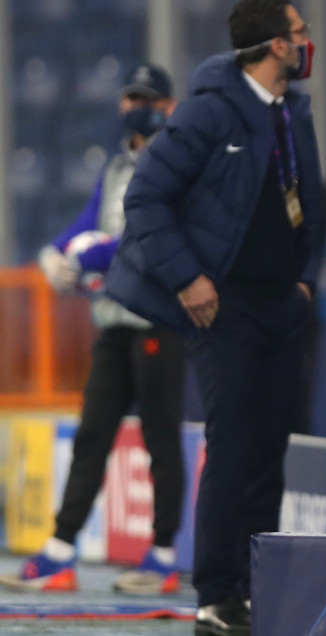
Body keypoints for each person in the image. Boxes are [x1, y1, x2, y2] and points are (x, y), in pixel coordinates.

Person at [105, 1, 322, 632]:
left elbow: (310, 203)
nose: (309, 45)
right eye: (301, 34)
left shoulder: (293, 113)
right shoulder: (208, 109)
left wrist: (306, 280)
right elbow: (145, 197)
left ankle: (259, 587)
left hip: (284, 304)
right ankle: (217, 592)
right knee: (232, 447)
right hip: (223, 306)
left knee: (269, 449)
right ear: (277, 46)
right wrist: (188, 278)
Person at [0, 64, 184, 595]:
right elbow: (90, 221)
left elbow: (147, 236)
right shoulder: (119, 165)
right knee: (92, 436)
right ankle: (60, 550)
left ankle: (164, 554)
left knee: (160, 440)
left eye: (147, 98)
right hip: (113, 319)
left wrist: (92, 253)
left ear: (170, 107)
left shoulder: (176, 162)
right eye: (129, 97)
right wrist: (56, 253)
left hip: (157, 319)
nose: (135, 106)